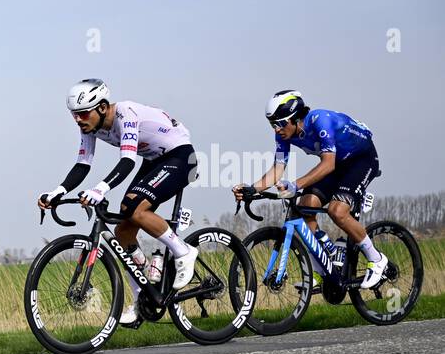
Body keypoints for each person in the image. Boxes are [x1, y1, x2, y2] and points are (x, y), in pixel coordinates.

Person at [39, 79, 200, 324]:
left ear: (102, 108)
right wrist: (57, 191)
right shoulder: (89, 128)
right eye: (74, 116)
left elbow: (127, 161)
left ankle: (183, 251)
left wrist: (100, 189)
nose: (78, 120)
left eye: (82, 114)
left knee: (135, 210)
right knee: (123, 230)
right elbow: (83, 164)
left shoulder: (127, 113)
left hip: (180, 157)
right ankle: (141, 300)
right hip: (153, 160)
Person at [233, 90, 386, 287]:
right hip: (338, 165)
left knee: (337, 211)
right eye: (272, 124)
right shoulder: (284, 136)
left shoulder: (320, 120)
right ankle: (324, 266)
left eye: (279, 123)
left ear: (295, 118)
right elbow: (277, 170)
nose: (276, 130)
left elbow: (328, 164)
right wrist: (252, 189)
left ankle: (377, 259)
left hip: (361, 160)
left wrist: (296, 185)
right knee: (305, 205)